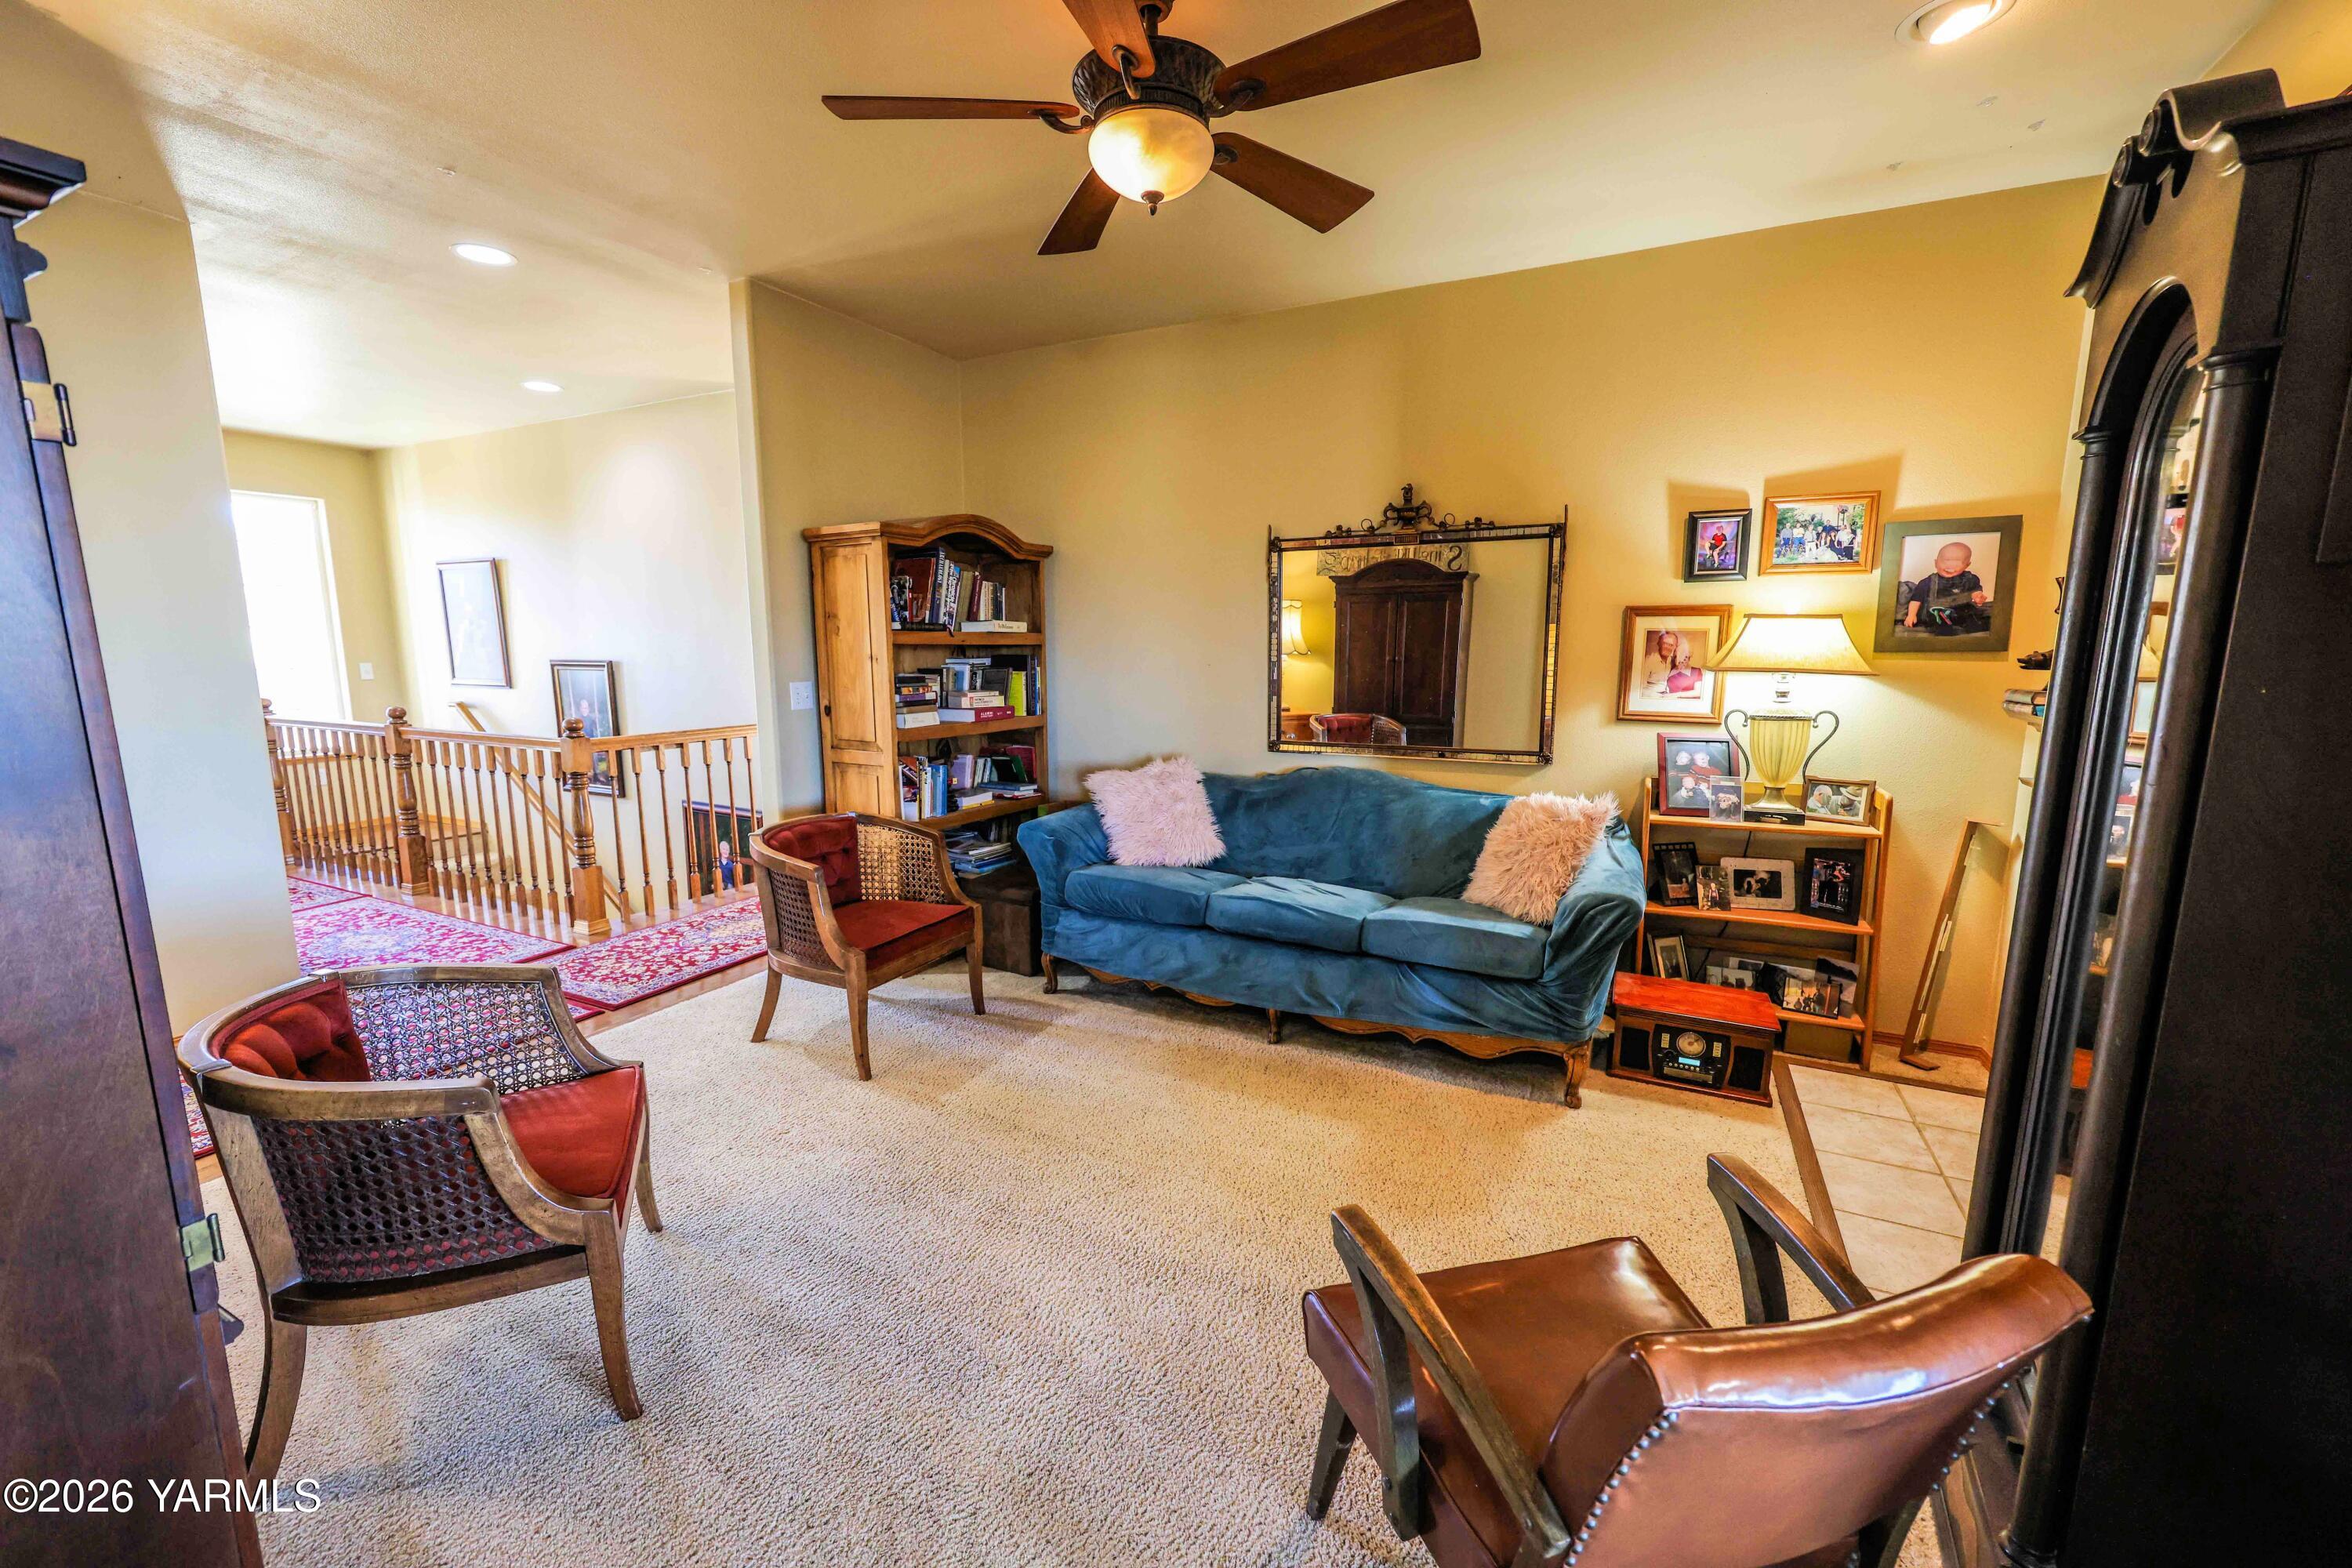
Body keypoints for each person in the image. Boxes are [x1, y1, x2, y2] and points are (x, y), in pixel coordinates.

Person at [1903, 540, 1992, 634]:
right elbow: (1916, 600)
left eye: (1957, 563)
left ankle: (1976, 626)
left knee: (1972, 614)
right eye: (1946, 561)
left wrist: (1978, 597)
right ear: (1936, 563)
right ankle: (1944, 630)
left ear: (1967, 565)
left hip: (1960, 610)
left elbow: (1975, 592)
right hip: (1937, 610)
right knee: (1939, 618)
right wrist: (1911, 615)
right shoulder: (1928, 582)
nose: (1950, 566)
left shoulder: (1970, 579)